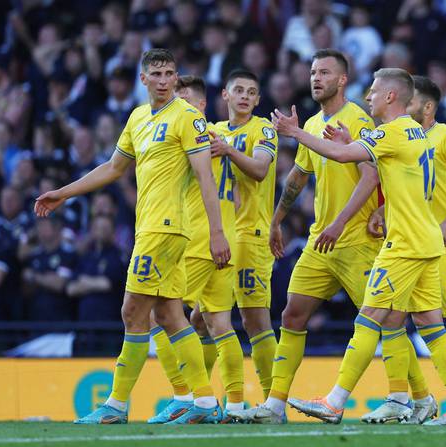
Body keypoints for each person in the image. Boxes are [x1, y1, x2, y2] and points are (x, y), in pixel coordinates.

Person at [34, 48, 231, 424]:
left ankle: (116, 405)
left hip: (165, 229)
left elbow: (206, 177)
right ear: (143, 79)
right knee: (170, 314)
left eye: (169, 74)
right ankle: (205, 402)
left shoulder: (188, 117)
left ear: (176, 78)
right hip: (152, 228)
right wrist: (64, 192)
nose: (163, 80)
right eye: (156, 74)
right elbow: (113, 167)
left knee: (131, 311)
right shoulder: (139, 116)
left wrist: (217, 232)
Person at [271, 68, 446, 425]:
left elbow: (342, 157)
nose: (368, 97)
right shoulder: (415, 132)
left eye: (374, 91)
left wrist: (295, 132)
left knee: (368, 319)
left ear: (391, 97)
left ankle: (335, 401)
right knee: (430, 325)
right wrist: (352, 141)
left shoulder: (392, 132)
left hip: (404, 245)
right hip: (427, 240)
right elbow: (384, 163)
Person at [229, 50, 422, 425]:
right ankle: (274, 405)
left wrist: (341, 222)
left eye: (325, 72)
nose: (316, 78)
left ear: (343, 80)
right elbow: (299, 175)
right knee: (292, 315)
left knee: (386, 321)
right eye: (313, 72)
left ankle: (417, 397)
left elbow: (371, 176)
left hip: (357, 241)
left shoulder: (362, 120)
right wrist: (276, 220)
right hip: (321, 242)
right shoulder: (315, 123)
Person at [365, 75, 446, 424]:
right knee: (396, 318)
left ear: (428, 106)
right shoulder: (404, 135)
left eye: (413, 101)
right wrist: (382, 210)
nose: (405, 106)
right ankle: (404, 400)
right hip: (414, 242)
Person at [147, 74, 245, 424]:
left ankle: (185, 396)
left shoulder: (190, 135)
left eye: (185, 101)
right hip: (225, 236)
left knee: (156, 314)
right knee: (219, 323)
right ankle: (235, 404)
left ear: (202, 105)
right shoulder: (218, 135)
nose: (179, 108)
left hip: (199, 238)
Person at [208, 69, 279, 401]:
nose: (245, 97)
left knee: (255, 321)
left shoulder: (263, 128)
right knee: (202, 317)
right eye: (239, 90)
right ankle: (202, 399)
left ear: (258, 99)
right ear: (225, 94)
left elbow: (261, 169)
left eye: (252, 92)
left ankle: (271, 401)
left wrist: (228, 151)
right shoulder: (214, 131)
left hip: (251, 235)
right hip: (219, 236)